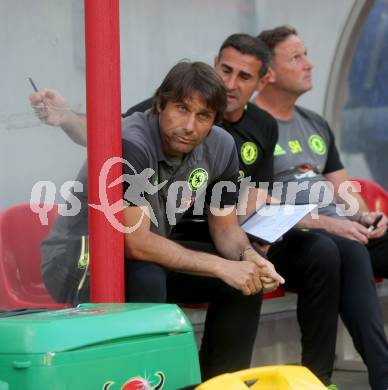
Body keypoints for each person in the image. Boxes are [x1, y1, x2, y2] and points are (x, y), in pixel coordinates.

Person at [36, 61, 284, 381]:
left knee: (245, 281)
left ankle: (219, 385)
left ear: (215, 120)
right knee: (150, 276)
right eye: (181, 109)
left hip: (141, 255)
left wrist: (248, 258)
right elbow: (135, 242)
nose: (190, 126)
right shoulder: (132, 142)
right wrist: (222, 267)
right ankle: (151, 382)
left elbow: (225, 228)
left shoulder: (221, 146)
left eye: (203, 116)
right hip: (75, 262)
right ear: (160, 105)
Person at [255, 25, 388, 390]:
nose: (309, 64)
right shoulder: (253, 127)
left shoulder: (315, 123)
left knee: (357, 243)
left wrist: (365, 215)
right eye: (296, 57)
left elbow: (343, 188)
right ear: (268, 73)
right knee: (343, 249)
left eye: (307, 54)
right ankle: (371, 376)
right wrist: (332, 226)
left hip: (341, 232)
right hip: (291, 241)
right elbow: (256, 208)